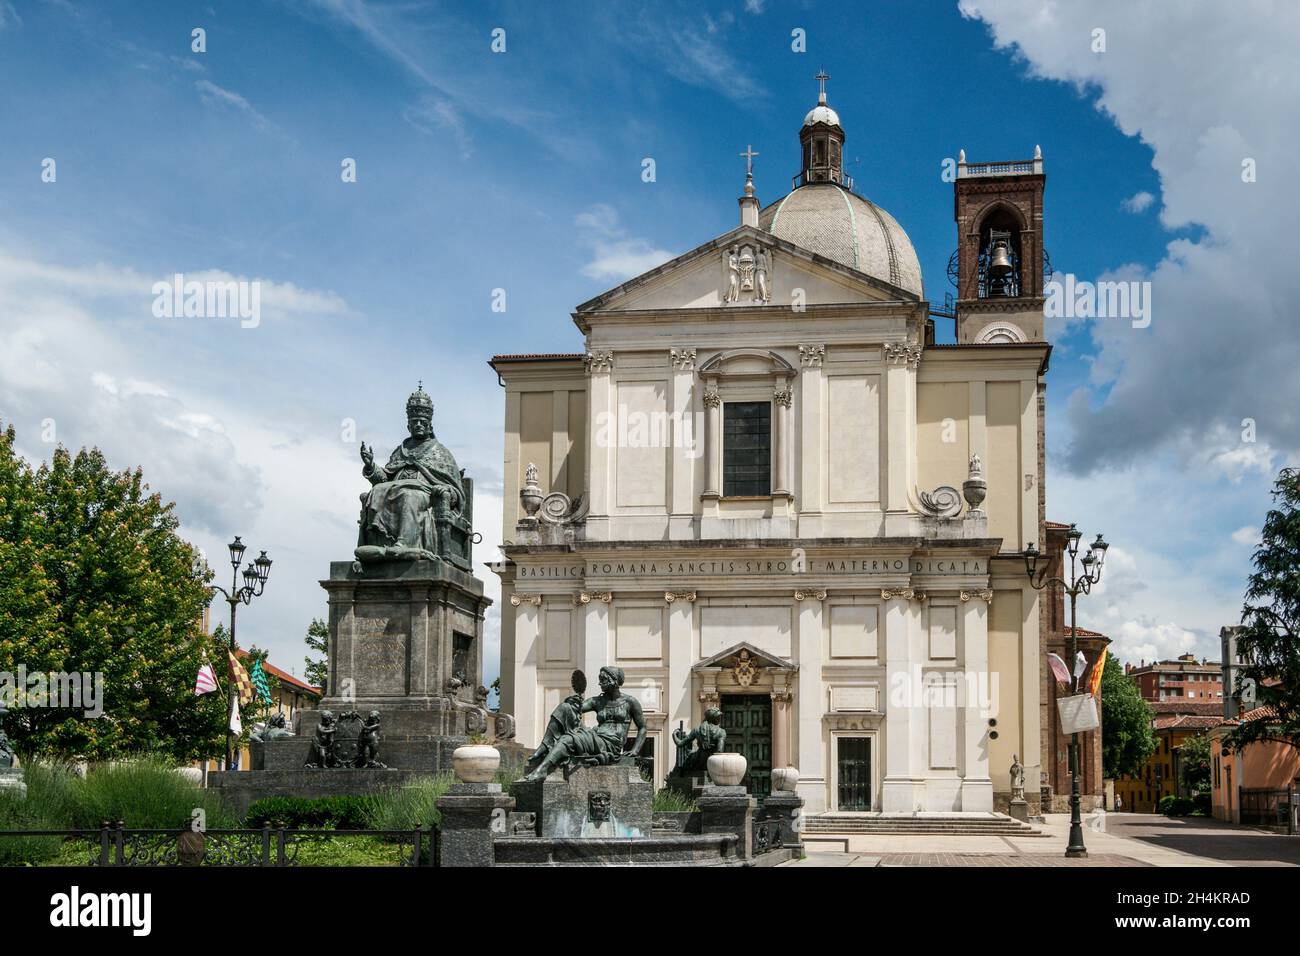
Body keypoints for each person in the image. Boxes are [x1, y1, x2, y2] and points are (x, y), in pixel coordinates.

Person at [524, 666, 645, 781]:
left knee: (567, 739)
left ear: (613, 681)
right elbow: (576, 708)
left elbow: (642, 728)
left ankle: (543, 769)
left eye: (603, 680)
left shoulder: (630, 702)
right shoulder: (597, 701)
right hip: (596, 736)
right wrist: (573, 700)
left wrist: (635, 750)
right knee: (565, 707)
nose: (599, 684)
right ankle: (544, 745)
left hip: (611, 744)